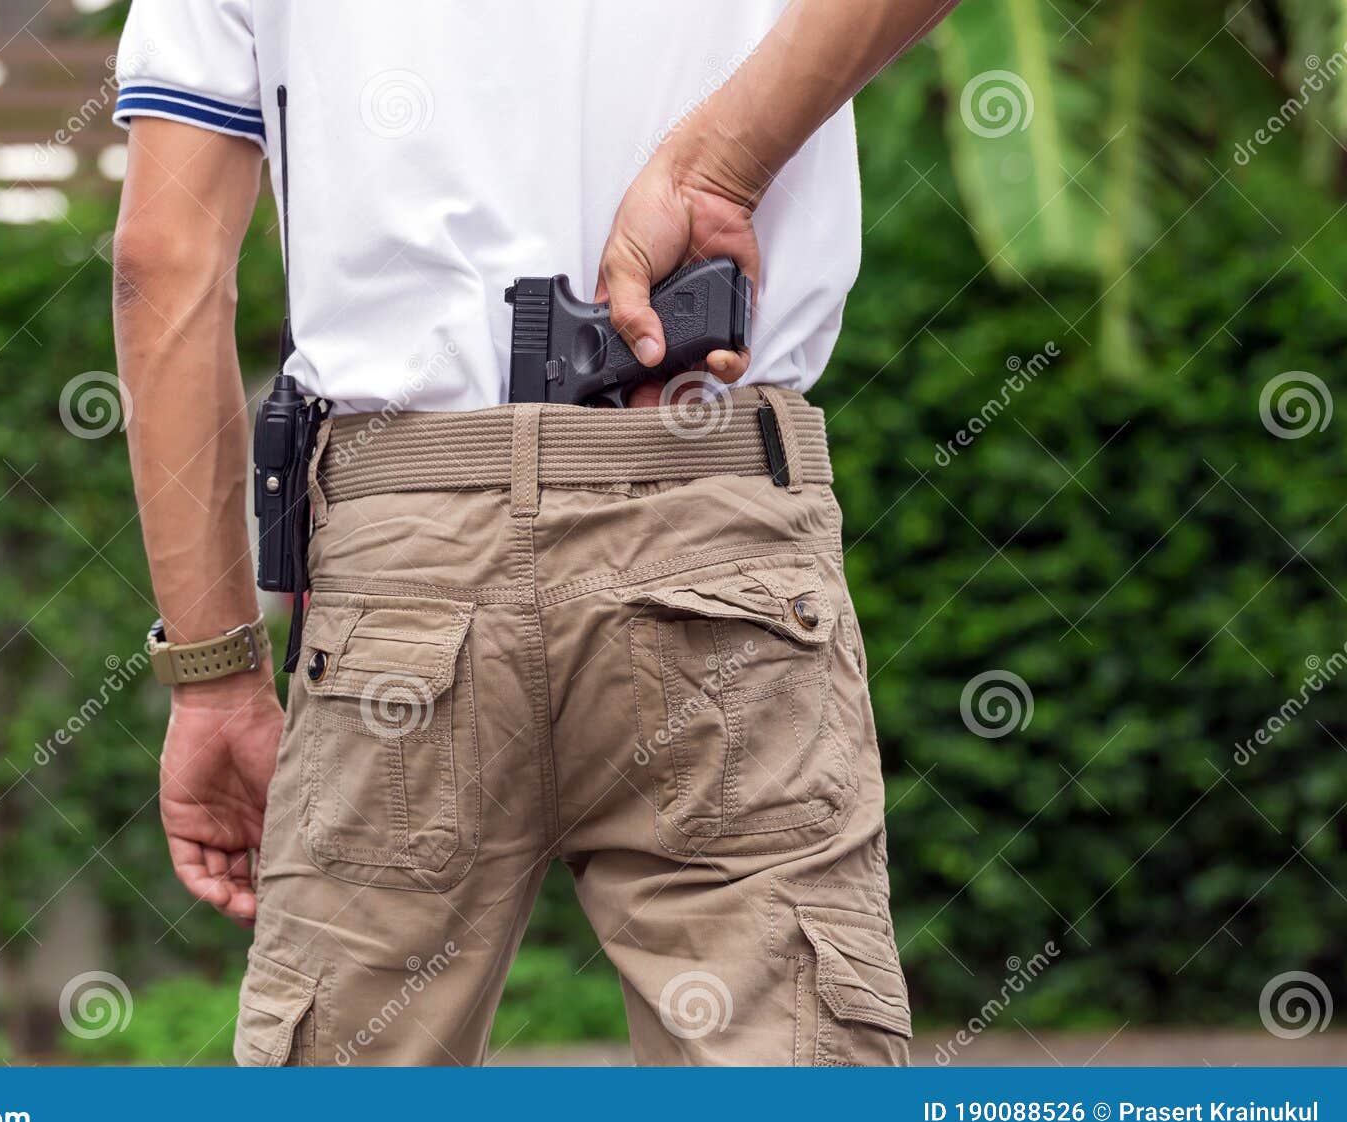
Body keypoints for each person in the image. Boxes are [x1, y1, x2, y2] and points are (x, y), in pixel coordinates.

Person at [111, 0, 959, 1066]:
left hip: (405, 553)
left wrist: (215, 674)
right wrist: (720, 166)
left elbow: (164, 264)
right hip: (710, 501)